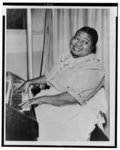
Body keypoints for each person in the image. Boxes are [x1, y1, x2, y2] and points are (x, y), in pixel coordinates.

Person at [16, 26, 107, 141]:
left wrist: (41, 99)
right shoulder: (67, 56)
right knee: (27, 121)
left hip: (73, 106)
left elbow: (72, 97)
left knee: (40, 129)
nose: (78, 43)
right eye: (76, 38)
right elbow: (50, 77)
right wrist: (29, 82)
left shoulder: (94, 68)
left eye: (84, 42)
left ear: (92, 47)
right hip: (55, 98)